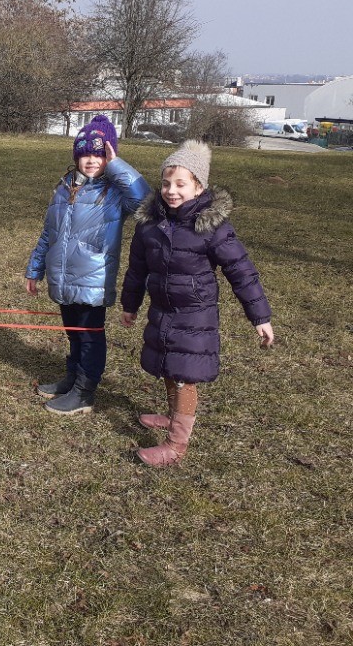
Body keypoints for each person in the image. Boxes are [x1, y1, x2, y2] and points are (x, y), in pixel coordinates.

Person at [120, 139, 274, 467]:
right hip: (162, 310)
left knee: (183, 375)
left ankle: (176, 444)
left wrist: (260, 316)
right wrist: (130, 305)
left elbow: (241, 271)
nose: (171, 191)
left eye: (181, 184)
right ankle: (173, 414)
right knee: (166, 366)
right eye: (166, 183)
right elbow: (136, 269)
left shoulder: (212, 227)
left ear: (199, 187)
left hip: (195, 315)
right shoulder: (150, 225)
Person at [25, 114, 149, 415]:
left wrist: (116, 165)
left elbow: (144, 199)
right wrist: (35, 268)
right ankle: (72, 378)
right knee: (73, 332)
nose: (91, 160)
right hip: (63, 277)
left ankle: (84, 392)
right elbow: (49, 232)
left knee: (89, 335)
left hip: (92, 278)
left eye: (99, 154)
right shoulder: (64, 187)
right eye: (85, 154)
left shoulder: (115, 193)